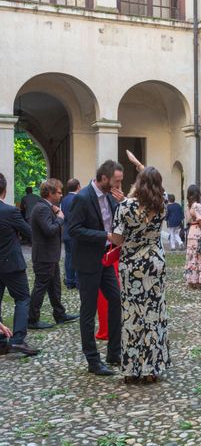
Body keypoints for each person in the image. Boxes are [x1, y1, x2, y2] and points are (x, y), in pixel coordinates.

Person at [110, 167, 170, 383]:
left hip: (132, 265)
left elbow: (116, 239)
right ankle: (150, 369)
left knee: (132, 315)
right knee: (154, 314)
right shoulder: (162, 205)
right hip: (155, 262)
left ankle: (131, 368)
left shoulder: (125, 206)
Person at [67, 160, 124, 376]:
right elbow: (74, 230)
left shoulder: (111, 197)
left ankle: (114, 353)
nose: (119, 185)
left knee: (116, 300)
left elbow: (116, 220)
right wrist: (105, 235)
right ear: (103, 178)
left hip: (105, 259)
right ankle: (93, 360)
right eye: (116, 181)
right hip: (88, 261)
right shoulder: (82, 198)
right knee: (88, 310)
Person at [28, 178, 79, 329]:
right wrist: (60, 219)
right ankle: (32, 319)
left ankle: (60, 314)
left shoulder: (47, 207)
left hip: (50, 256)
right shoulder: (42, 208)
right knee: (40, 288)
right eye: (58, 192)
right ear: (49, 193)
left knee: (54, 287)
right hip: (44, 257)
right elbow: (49, 230)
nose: (61, 195)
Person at [0, 173, 39, 356]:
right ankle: (17, 340)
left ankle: (1, 341)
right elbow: (28, 232)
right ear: (5, 190)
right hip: (12, 264)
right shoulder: (10, 211)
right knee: (22, 299)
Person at [184, 184, 201, 289]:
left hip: (190, 231)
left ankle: (192, 279)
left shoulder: (188, 205)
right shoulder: (197, 205)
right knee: (199, 255)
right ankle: (199, 280)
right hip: (197, 231)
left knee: (192, 256)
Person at [61, 178, 81, 289]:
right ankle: (78, 281)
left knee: (68, 257)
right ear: (78, 186)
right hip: (75, 232)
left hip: (67, 232)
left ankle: (69, 281)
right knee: (78, 257)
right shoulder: (78, 199)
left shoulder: (64, 199)